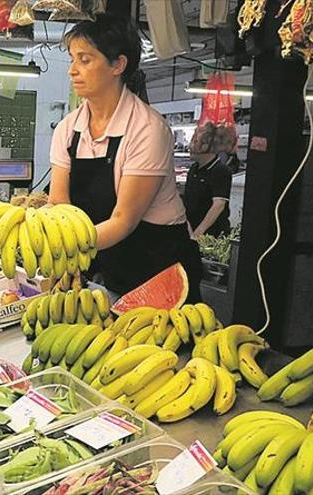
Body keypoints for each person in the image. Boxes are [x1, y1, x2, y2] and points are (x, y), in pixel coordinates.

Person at [48, 14, 202, 302]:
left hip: (159, 263)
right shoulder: (68, 129)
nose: (72, 70)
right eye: (72, 59)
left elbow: (123, 220)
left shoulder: (147, 129)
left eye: (85, 59)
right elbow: (59, 205)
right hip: (112, 259)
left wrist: (65, 250)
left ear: (118, 65)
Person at [184, 149, 232, 238]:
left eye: (196, 142)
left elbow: (219, 205)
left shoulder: (220, 170)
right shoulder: (193, 169)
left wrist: (198, 232)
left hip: (212, 234)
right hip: (191, 230)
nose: (191, 147)